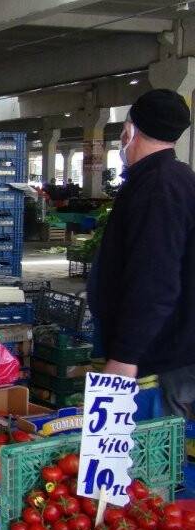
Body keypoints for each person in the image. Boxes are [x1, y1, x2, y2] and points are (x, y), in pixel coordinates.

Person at [87, 89, 195, 418]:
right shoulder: (174, 178)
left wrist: (125, 356)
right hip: (168, 347)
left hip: (161, 358)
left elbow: (155, 280)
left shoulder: (158, 188)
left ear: (129, 130)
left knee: (162, 441)